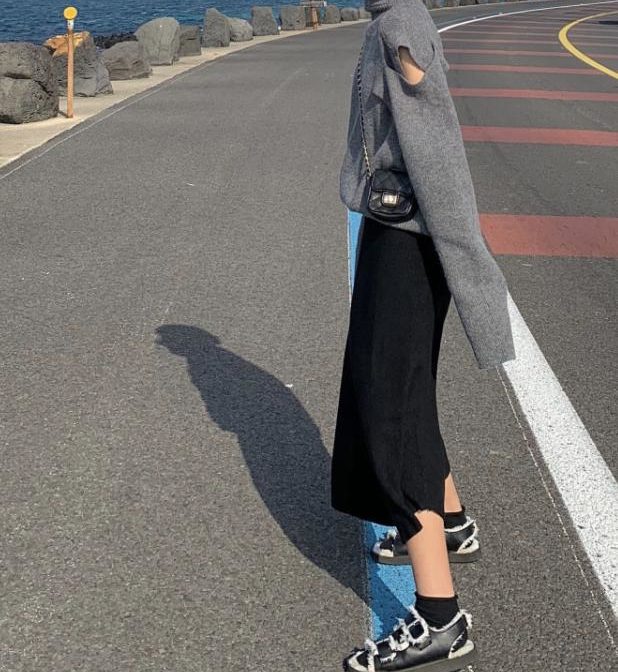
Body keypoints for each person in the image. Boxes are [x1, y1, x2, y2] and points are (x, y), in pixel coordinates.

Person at [332, 0, 517, 670]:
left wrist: (465, 258)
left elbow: (435, 146)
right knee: (408, 397)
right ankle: (454, 523)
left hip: (409, 243)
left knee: (393, 415)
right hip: (399, 233)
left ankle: (441, 619)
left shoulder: (399, 27)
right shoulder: (394, 20)